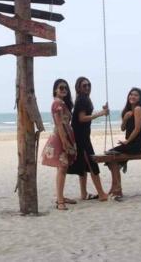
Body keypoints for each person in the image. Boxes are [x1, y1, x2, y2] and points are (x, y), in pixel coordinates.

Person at [67, 77, 109, 201]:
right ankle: (101, 194)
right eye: (84, 85)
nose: (87, 87)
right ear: (78, 88)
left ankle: (84, 194)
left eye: (88, 85)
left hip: (81, 136)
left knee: (83, 165)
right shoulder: (82, 100)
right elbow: (82, 118)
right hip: (81, 138)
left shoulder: (83, 99)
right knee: (92, 165)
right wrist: (101, 113)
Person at [41, 79, 77, 210]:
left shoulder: (62, 103)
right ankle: (60, 201)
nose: (64, 90)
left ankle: (60, 196)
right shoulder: (57, 104)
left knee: (62, 169)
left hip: (64, 136)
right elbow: (59, 125)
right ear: (55, 90)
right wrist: (65, 142)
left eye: (66, 88)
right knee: (62, 168)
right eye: (61, 88)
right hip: (60, 138)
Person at [105, 87, 141, 201]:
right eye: (131, 94)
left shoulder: (138, 109)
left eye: (136, 95)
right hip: (129, 144)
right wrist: (125, 119)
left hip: (137, 144)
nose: (132, 96)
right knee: (110, 158)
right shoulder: (127, 111)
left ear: (139, 98)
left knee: (110, 155)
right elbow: (123, 128)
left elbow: (137, 129)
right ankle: (117, 188)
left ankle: (117, 189)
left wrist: (127, 142)